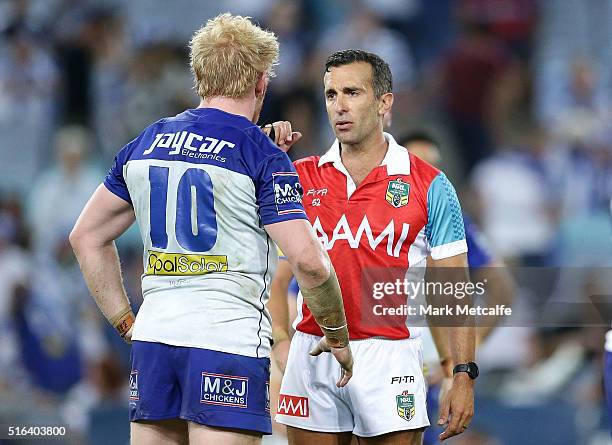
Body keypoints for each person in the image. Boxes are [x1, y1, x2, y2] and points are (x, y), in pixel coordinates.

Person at [69, 14, 353, 445]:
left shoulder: (145, 143)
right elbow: (310, 264)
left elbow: (86, 237)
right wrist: (336, 333)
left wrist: (127, 322)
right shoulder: (260, 154)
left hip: (156, 339)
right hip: (227, 341)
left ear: (200, 76)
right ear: (260, 82)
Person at [269, 49, 475, 445]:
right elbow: (269, 268)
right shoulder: (296, 175)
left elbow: (454, 289)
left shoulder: (430, 185)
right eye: (331, 95)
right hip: (313, 352)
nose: (340, 106)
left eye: (352, 92)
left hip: (390, 354)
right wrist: (262, 155)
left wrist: (463, 373)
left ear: (384, 102)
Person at [400, 131, 515, 444]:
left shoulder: (453, 222)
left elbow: (502, 290)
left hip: (435, 371)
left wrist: (466, 351)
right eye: (416, 166)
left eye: (433, 168)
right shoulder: (368, 216)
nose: (425, 177)